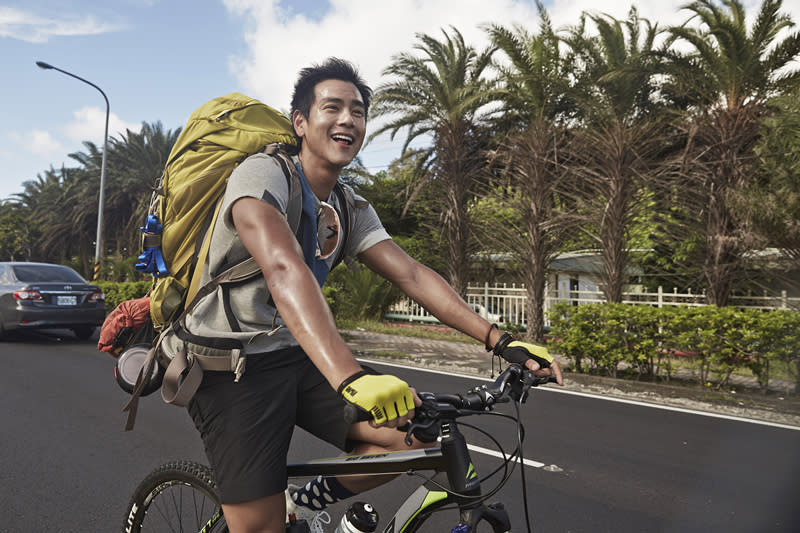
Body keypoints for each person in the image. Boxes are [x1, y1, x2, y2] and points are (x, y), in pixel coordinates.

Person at [182, 57, 563, 533]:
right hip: (230, 366)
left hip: (294, 356)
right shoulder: (262, 174)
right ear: (301, 122)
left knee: (409, 440)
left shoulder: (348, 205)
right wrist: (349, 376)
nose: (348, 119)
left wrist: (500, 339)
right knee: (260, 529)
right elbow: (284, 267)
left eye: (358, 111)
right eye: (333, 107)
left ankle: (304, 502)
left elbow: (412, 276)